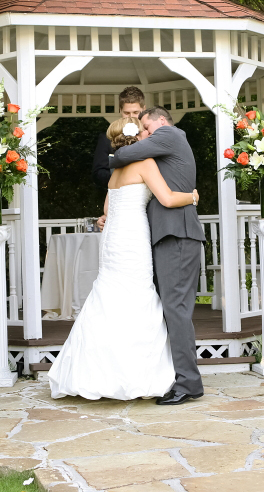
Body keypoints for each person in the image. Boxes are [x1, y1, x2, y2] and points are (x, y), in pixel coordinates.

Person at [48, 117, 199, 400]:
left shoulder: (115, 171)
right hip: (133, 237)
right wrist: (191, 197)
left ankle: (96, 372)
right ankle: (137, 374)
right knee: (137, 296)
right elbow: (166, 198)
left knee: (109, 296)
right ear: (136, 138)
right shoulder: (145, 164)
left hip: (113, 240)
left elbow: (107, 207)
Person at [108, 107, 206, 405]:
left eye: (147, 128)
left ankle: (189, 383)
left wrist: (117, 153)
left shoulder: (169, 134)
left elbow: (121, 157)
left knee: (175, 308)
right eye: (142, 132)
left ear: (160, 122)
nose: (146, 135)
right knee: (171, 308)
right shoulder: (160, 149)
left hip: (176, 234)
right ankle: (174, 376)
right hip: (166, 234)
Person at [92, 86, 147, 189]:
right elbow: (98, 174)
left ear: (144, 109)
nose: (131, 117)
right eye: (127, 113)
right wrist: (123, 177)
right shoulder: (107, 138)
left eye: (136, 112)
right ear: (120, 110)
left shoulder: (150, 135)